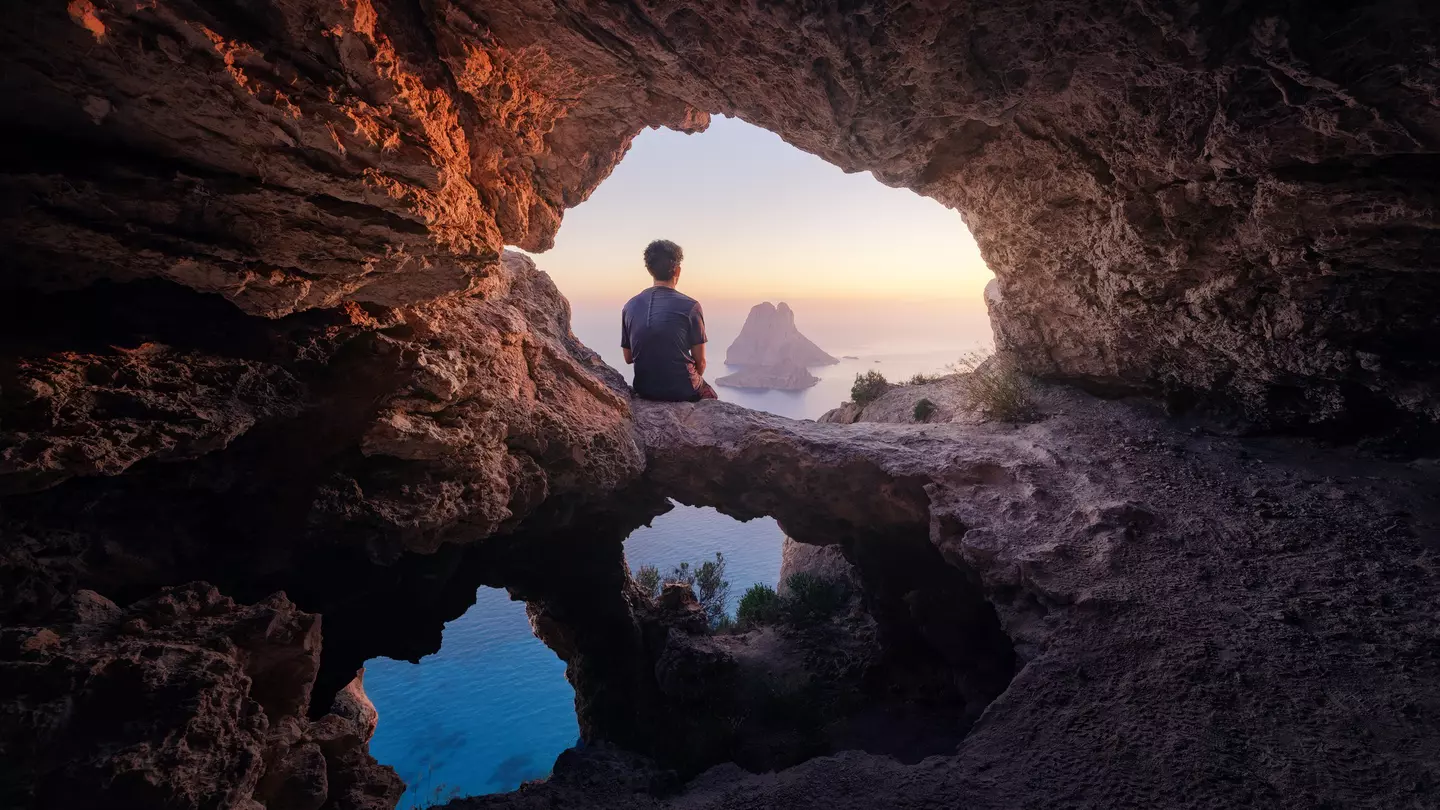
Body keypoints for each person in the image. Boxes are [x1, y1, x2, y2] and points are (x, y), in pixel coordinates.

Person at [621, 239, 719, 402]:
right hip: (683, 390)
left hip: (644, 389)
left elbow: (628, 358)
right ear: (677, 271)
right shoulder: (691, 307)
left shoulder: (629, 306)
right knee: (711, 397)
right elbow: (700, 363)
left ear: (650, 270)